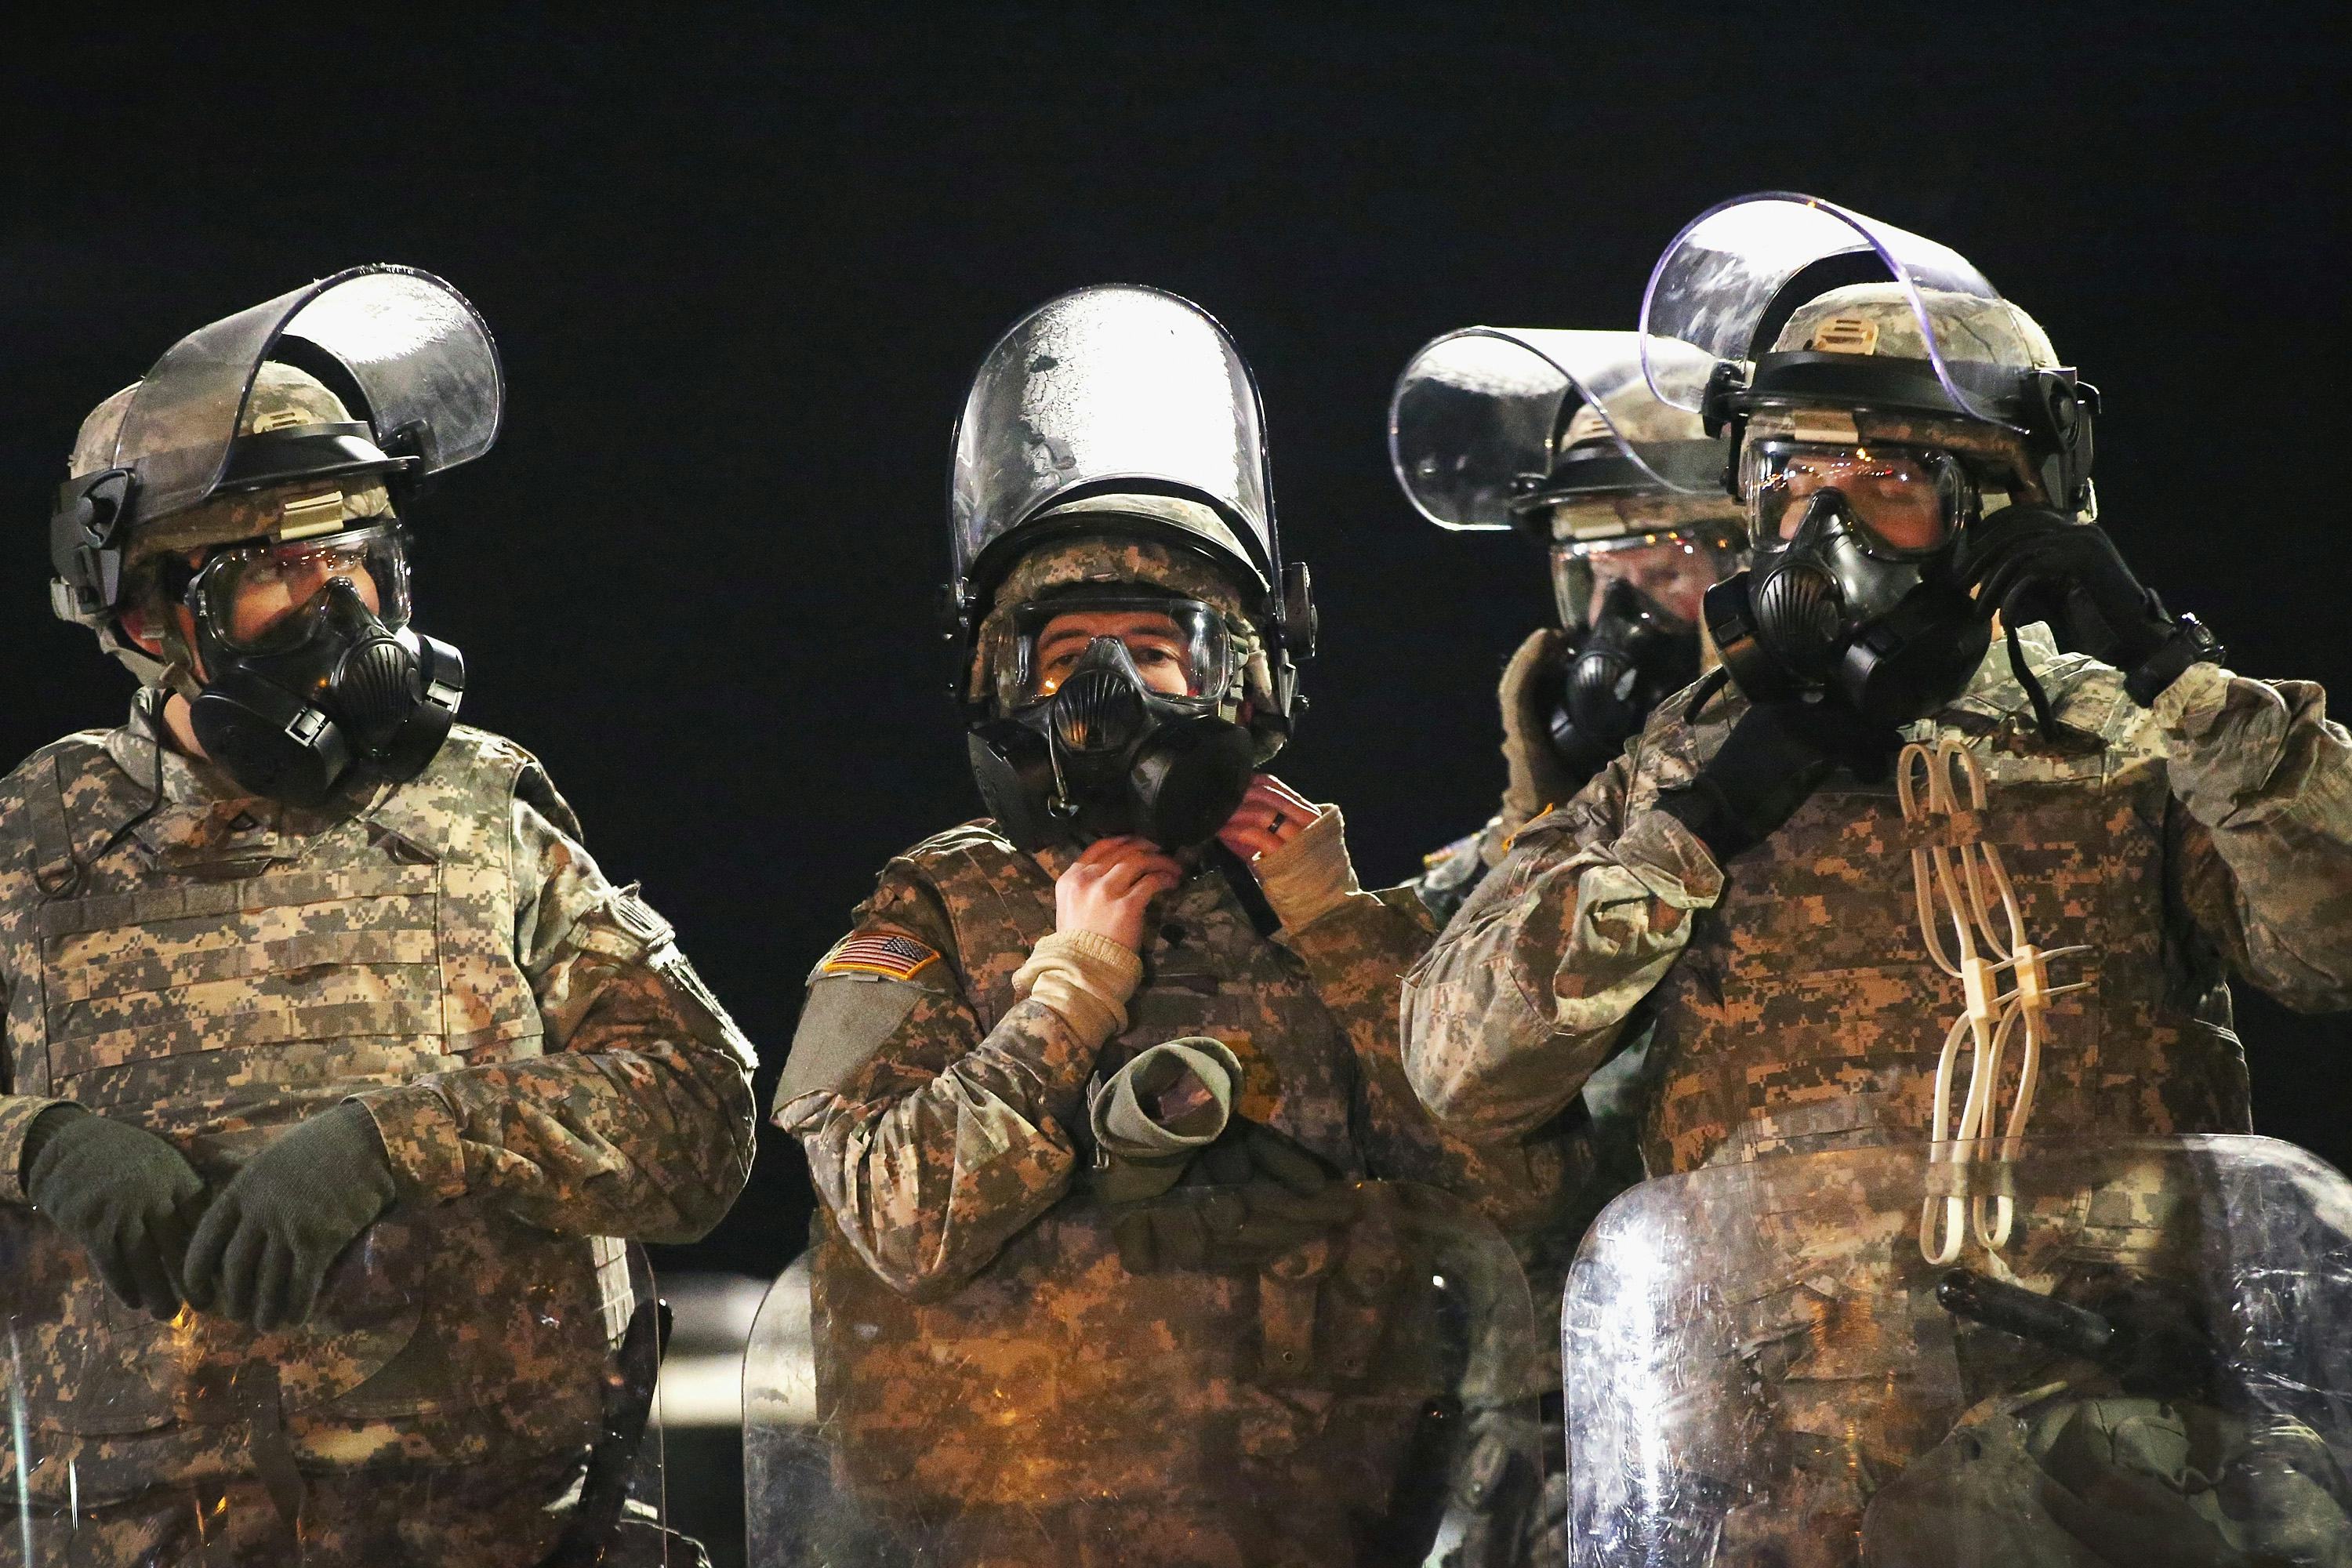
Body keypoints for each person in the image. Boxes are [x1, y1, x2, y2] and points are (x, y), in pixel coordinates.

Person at [1400, 195, 2352, 1557]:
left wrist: (2175, 674)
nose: (1819, 527)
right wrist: (1698, 824)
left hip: (2120, 1480)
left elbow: (2333, 945)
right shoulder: (1679, 764)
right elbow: (1462, 1068)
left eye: (1888, 481)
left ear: (2005, 510)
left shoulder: (2139, 748)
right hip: (1782, 1486)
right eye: (1789, 477)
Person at [771, 284, 1561, 1566]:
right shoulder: (938, 905)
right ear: (997, 683)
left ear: (1243, 675)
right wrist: (1068, 997)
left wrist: (1339, 929)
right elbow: (896, 1220)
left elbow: (1512, 1198)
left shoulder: (1319, 911)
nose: (1108, 692)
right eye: (1066, 656)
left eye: (1154, 649)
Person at [0, 268, 757, 1566]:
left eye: (357, 563)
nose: (338, 614)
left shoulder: (477, 810)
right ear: (145, 612)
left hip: (495, 1534)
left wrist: (401, 1140)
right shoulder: (33, 843)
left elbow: (700, 1121)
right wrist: (38, 1144)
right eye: (277, 573)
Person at [1388, 328, 1745, 926]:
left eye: (1664, 574)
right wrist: (1533, 821)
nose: (1619, 617)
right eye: (1600, 577)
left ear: (1748, 572)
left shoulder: (1841, 781)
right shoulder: (1573, 811)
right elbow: (1425, 967)